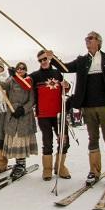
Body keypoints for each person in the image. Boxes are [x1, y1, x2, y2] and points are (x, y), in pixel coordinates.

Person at [46, 31, 105, 185]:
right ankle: (94, 171)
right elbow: (65, 68)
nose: (87, 41)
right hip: (88, 107)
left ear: (98, 41)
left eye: (90, 38)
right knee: (92, 139)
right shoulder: (82, 61)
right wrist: (53, 58)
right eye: (86, 39)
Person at [30, 50, 71, 181]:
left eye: (45, 59)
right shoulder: (35, 76)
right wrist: (14, 74)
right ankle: (47, 169)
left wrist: (67, 85)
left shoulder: (57, 73)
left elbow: (66, 88)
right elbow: (24, 83)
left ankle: (60, 166)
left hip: (59, 113)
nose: (43, 62)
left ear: (49, 59)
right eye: (40, 60)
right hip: (43, 114)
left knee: (64, 140)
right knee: (47, 142)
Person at [0, 62, 37, 179]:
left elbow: (32, 100)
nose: (20, 70)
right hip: (12, 113)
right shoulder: (12, 80)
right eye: (18, 69)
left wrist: (23, 110)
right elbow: (4, 86)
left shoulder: (28, 81)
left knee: (21, 140)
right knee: (14, 139)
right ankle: (18, 163)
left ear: (25, 70)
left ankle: (21, 164)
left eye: (23, 69)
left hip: (24, 115)